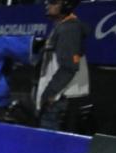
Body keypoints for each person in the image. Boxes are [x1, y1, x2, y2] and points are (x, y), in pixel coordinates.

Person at [36, 0, 89, 132]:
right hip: (57, 97)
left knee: (48, 143)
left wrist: (49, 93)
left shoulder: (69, 29)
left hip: (58, 99)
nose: (48, 4)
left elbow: (69, 67)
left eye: (53, 2)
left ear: (67, 5)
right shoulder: (63, 26)